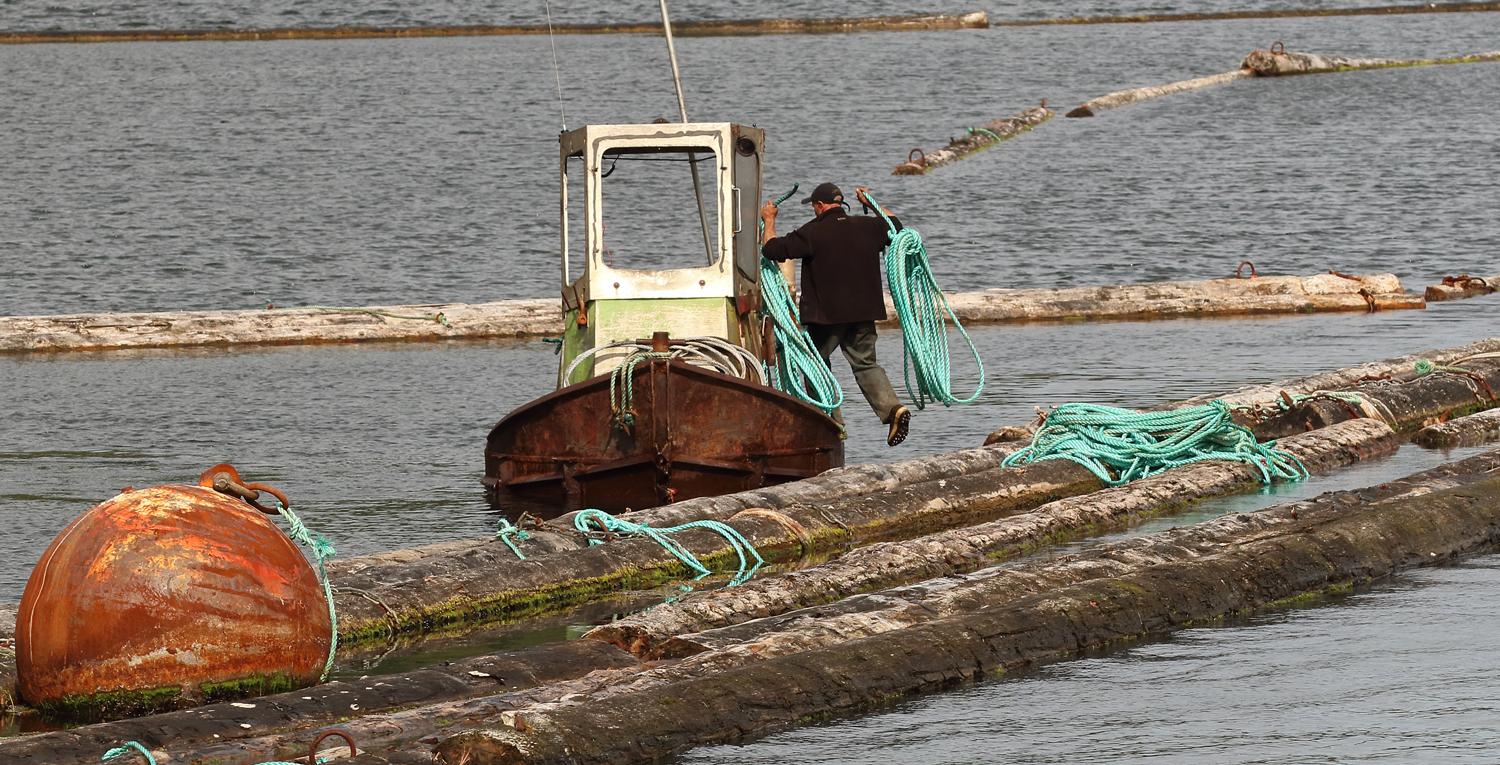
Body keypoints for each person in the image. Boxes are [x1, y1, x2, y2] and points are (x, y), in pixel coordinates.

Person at [760, 182, 912, 446]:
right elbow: (896, 224)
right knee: (866, 364)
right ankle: (892, 409)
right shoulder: (869, 227)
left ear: (819, 206)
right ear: (840, 204)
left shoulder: (812, 232)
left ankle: (832, 424)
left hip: (825, 317)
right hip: (864, 313)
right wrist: (871, 203)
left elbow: (771, 249)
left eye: (815, 206)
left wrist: (769, 220)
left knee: (815, 365)